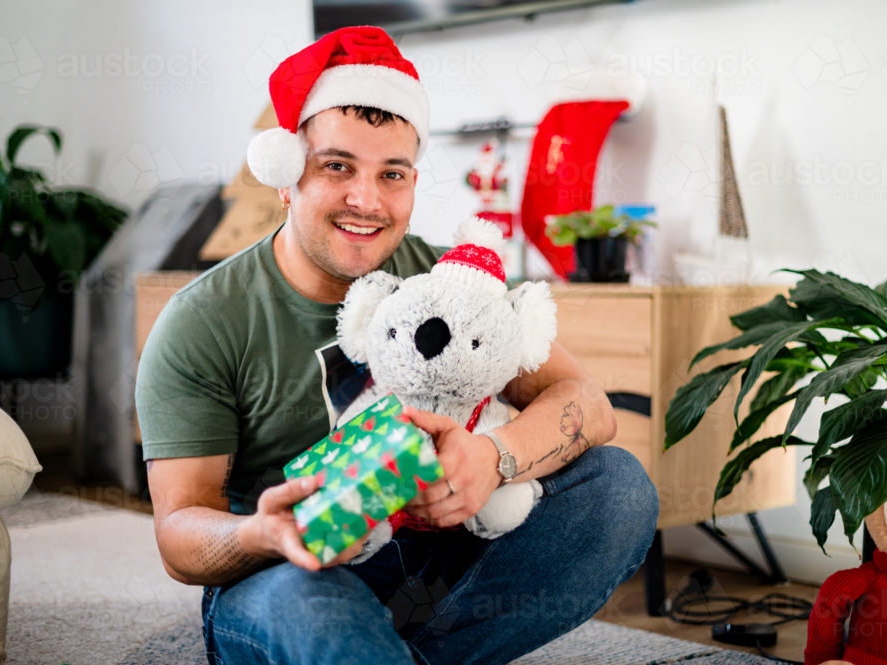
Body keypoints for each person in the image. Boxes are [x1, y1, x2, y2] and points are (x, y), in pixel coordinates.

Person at [137, 26, 659, 665]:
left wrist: (493, 458)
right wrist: (261, 532)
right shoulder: (204, 319)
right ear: (284, 176)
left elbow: (588, 405)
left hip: (439, 565)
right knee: (313, 616)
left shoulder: (457, 278)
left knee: (619, 489)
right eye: (337, 167)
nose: (367, 200)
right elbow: (178, 534)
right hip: (292, 574)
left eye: (393, 174)